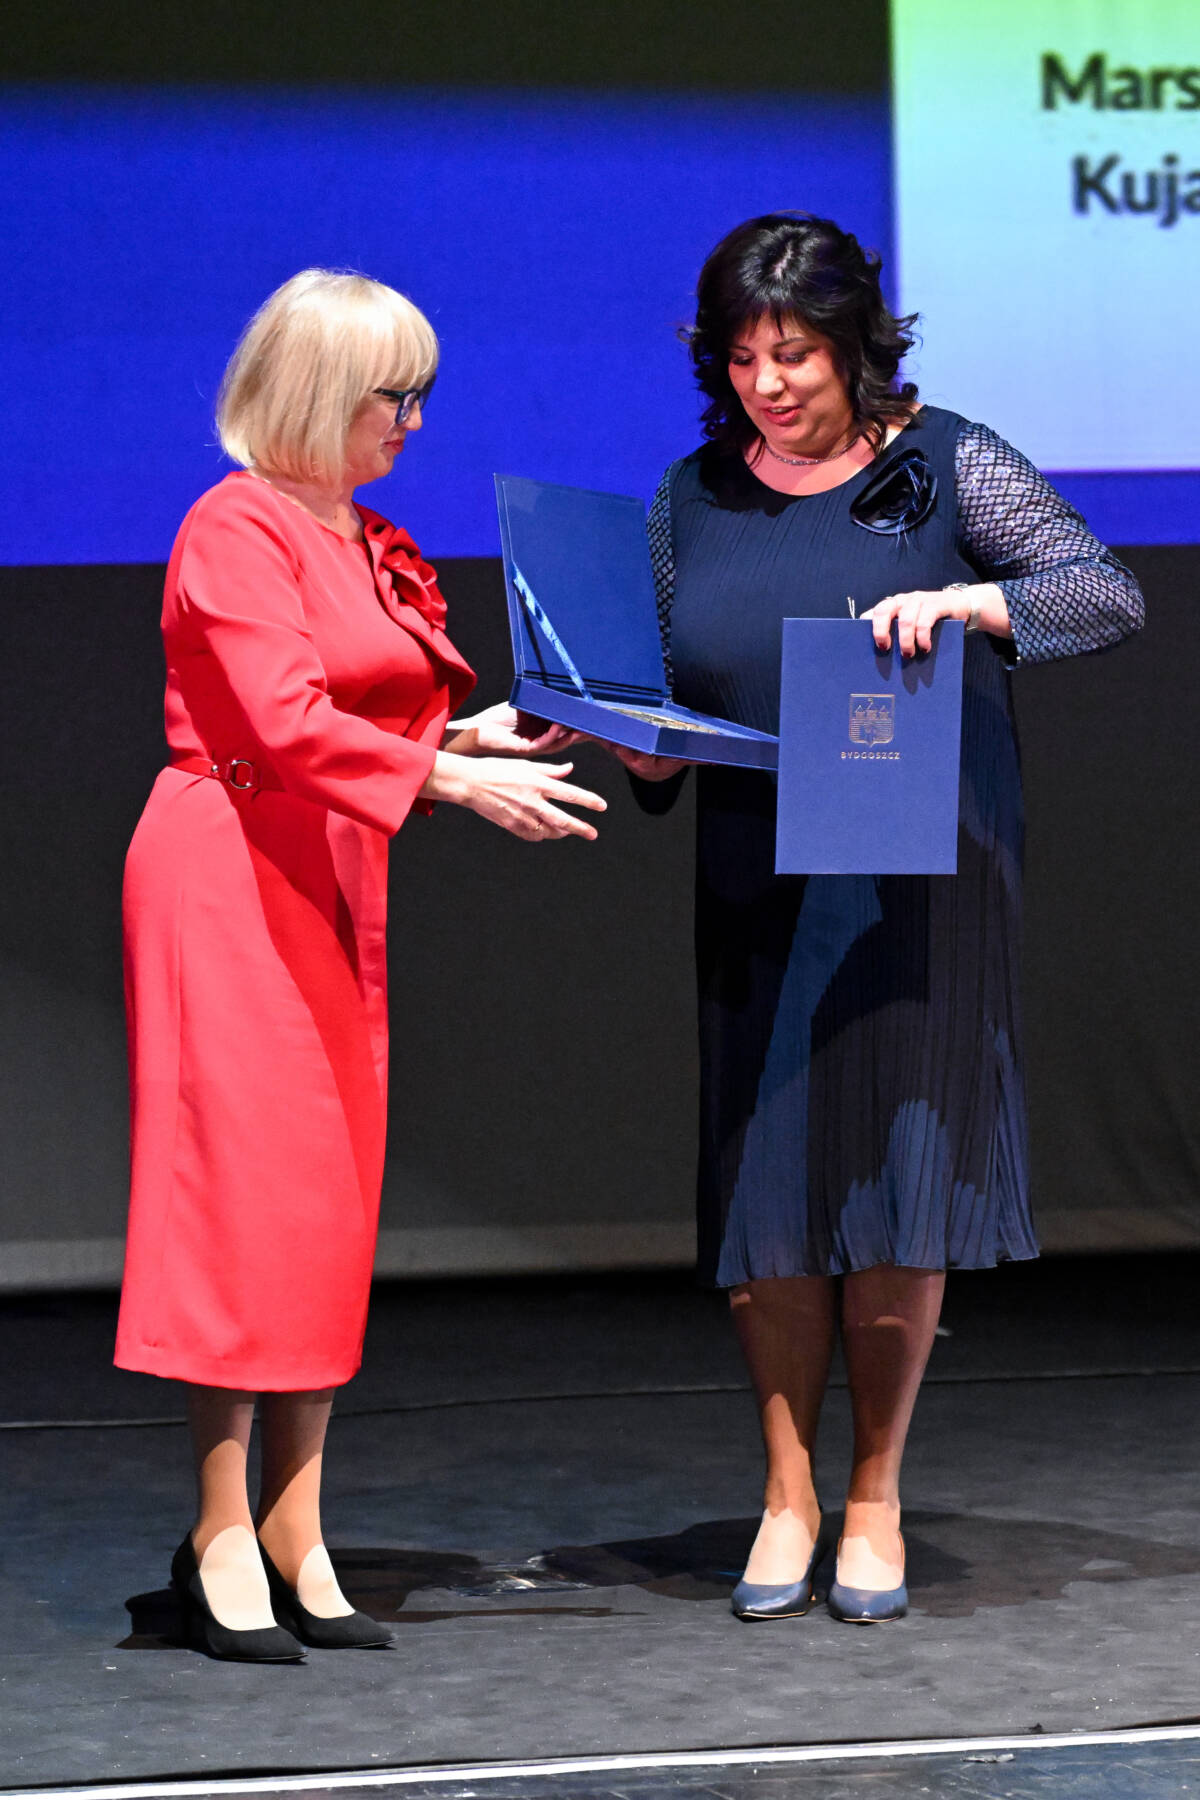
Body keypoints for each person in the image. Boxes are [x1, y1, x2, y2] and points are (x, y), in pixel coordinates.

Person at [609, 214, 1144, 1624]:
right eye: (742, 358)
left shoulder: (945, 461)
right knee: (768, 1190)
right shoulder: (692, 496)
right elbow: (663, 690)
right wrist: (636, 745)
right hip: (758, 875)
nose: (767, 385)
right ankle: (786, 1492)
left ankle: (874, 1493)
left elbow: (1102, 592)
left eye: (793, 354)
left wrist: (975, 602)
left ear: (856, 344)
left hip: (921, 876)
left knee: (900, 1178)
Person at [114, 269, 604, 1662]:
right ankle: (221, 1525)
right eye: (398, 395)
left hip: (333, 865)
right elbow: (278, 717)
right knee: (239, 1191)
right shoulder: (236, 526)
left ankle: (297, 1520)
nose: (415, 421)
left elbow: (368, 713)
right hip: (229, 869)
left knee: (325, 1192)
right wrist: (447, 782)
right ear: (324, 390)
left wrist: (473, 739)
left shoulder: (362, 534)